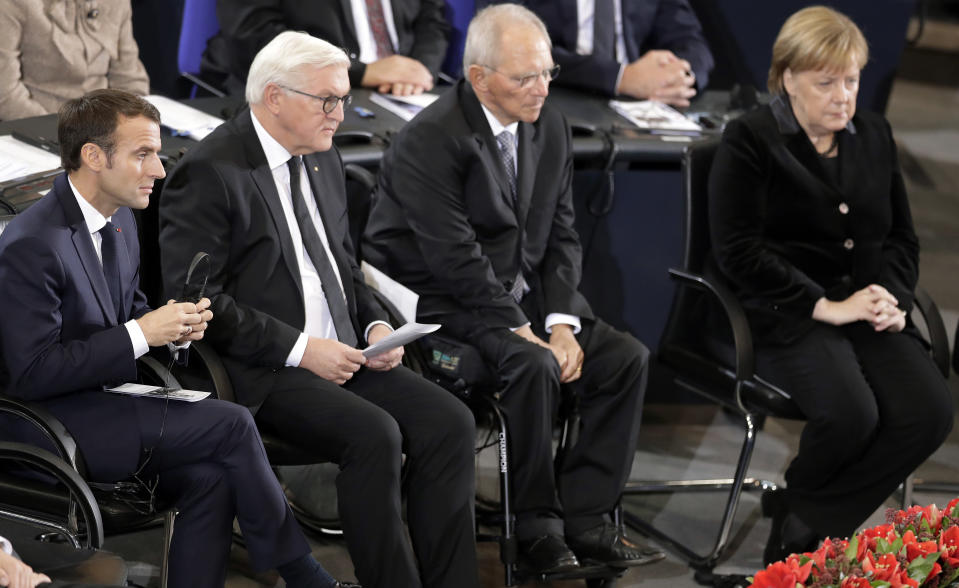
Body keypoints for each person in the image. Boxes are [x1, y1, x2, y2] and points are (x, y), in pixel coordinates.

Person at [0, 89, 358, 588]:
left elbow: (131, 312)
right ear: (93, 156)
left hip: (109, 402)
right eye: (142, 154)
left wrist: (172, 328)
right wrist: (139, 334)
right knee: (231, 425)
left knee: (210, 479)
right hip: (52, 423)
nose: (160, 170)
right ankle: (306, 576)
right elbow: (33, 373)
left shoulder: (121, 218)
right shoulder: (31, 246)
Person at [158, 32, 479, 588]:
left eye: (343, 99)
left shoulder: (323, 157)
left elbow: (346, 269)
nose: (339, 113)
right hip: (265, 366)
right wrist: (305, 350)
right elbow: (198, 300)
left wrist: (377, 324)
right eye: (326, 99)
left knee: (450, 421)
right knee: (374, 434)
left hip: (344, 350)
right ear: (275, 97)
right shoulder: (212, 171)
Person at [362, 4, 662, 575]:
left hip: (515, 300)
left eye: (547, 72)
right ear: (479, 78)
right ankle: (535, 532)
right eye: (526, 77)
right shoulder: (432, 138)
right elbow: (456, 262)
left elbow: (561, 237)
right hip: (444, 306)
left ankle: (588, 521)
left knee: (624, 359)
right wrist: (529, 333)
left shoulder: (548, 125)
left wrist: (562, 324)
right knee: (533, 365)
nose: (542, 87)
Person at [707, 5, 954, 565]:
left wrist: (891, 296)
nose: (843, 96)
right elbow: (738, 252)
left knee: (929, 410)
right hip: (787, 313)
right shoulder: (750, 140)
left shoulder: (874, 135)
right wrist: (824, 305)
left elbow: (901, 240)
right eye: (826, 83)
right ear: (787, 77)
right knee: (852, 415)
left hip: (866, 308)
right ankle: (803, 537)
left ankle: (806, 516)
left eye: (851, 80)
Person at [203, 0, 448, 97]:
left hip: (405, 92)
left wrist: (420, 70)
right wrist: (361, 72)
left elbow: (432, 18)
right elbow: (256, 37)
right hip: (303, 90)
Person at [504, 0, 713, 105]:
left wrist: (680, 79)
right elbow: (511, 45)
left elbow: (691, 42)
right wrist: (621, 77)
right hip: (556, 96)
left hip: (633, 107)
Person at [0, 0, 149, 120]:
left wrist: (128, 123)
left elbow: (129, 79)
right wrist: (61, 134)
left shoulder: (117, 3)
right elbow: (6, 95)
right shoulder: (13, 4)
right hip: (35, 125)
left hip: (102, 129)